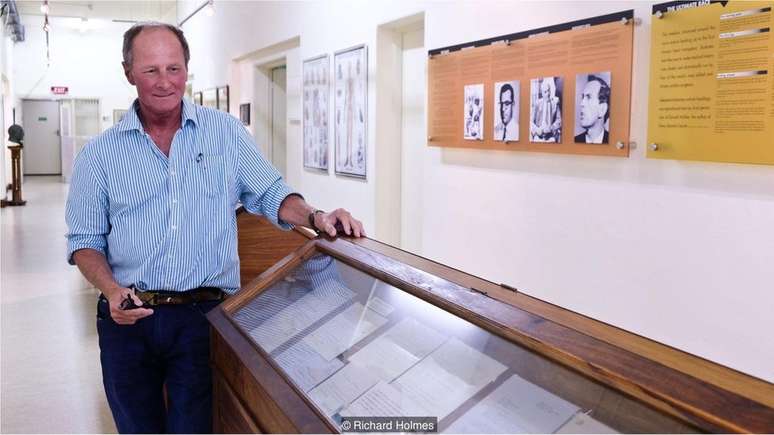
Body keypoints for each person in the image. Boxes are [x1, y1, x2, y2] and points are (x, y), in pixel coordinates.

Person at [65, 22, 364, 434]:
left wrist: (317, 217)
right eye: (151, 70)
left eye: (174, 68)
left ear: (187, 69)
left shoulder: (225, 134)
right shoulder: (99, 156)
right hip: (127, 320)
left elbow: (272, 193)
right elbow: (84, 241)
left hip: (202, 319)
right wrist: (111, 290)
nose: (165, 82)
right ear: (128, 72)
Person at [575, 74, 610, 144]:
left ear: (602, 109)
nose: (582, 103)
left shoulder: (612, 141)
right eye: (583, 97)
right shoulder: (575, 141)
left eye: (588, 97)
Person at [530, 77, 562, 143]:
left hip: (550, 136)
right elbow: (530, 121)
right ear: (542, 93)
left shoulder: (555, 103)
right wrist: (536, 129)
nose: (548, 94)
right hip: (538, 135)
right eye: (545, 92)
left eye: (548, 91)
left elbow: (559, 121)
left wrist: (551, 128)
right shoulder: (537, 104)